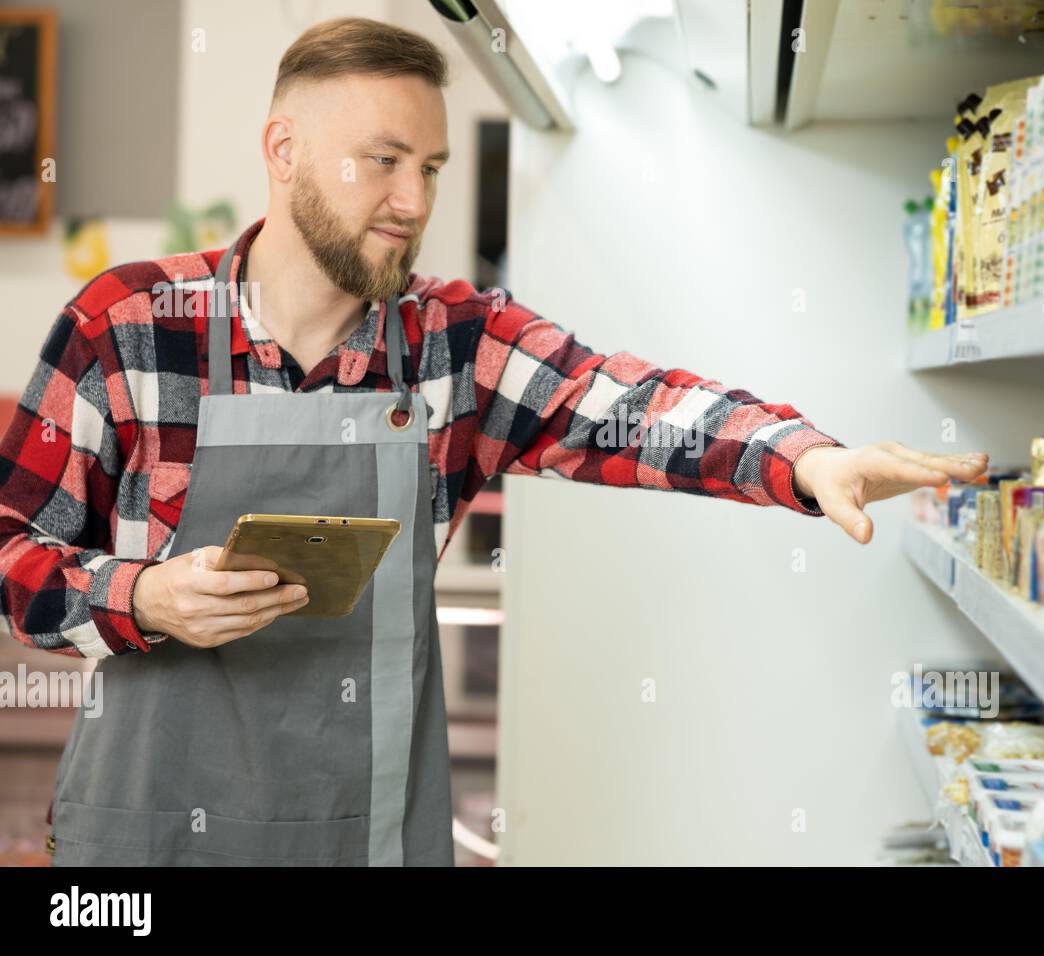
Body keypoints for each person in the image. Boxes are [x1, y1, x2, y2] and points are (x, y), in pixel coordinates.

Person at [0, 17, 987, 866]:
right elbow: (16, 559)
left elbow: (627, 403)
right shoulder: (127, 322)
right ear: (283, 147)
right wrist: (144, 595)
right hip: (143, 842)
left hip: (364, 834)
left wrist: (803, 457)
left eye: (427, 168)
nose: (414, 203)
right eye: (382, 160)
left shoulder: (452, 345)